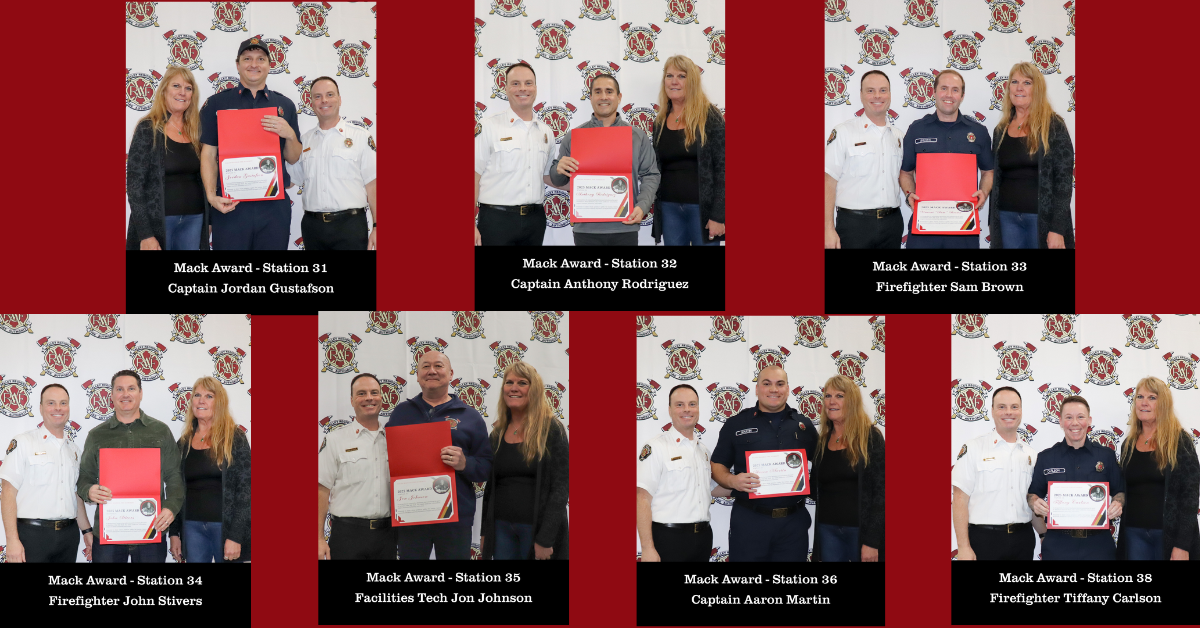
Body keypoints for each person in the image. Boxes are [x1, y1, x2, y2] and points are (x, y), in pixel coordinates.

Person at [388, 351, 493, 559]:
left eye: (438, 366)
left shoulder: (471, 416)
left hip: (455, 519)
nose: (432, 371)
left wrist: (465, 464)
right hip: (411, 514)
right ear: (417, 375)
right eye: (425, 366)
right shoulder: (401, 413)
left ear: (451, 373)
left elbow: (486, 468)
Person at [200, 36, 301, 250]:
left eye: (260, 59)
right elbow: (208, 155)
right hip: (231, 204)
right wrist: (211, 196)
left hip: (273, 207)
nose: (254, 64)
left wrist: (290, 134)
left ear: (269, 65)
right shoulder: (216, 103)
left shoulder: (285, 105)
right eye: (247, 58)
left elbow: (293, 157)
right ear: (238, 65)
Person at [710, 366, 816, 561]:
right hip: (749, 521)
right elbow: (717, 465)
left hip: (793, 524)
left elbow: (822, 466)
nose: (773, 389)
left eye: (780, 384)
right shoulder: (736, 424)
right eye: (766, 384)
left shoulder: (804, 426)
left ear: (788, 388)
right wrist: (732, 481)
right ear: (757, 389)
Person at [77, 371, 183, 562]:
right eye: (119, 389)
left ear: (140, 393)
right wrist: (89, 490)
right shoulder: (96, 435)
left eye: (131, 388)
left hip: (152, 530)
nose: (125, 394)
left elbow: (175, 477)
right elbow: (84, 477)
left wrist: (170, 508)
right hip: (108, 533)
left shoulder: (161, 431)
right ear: (111, 395)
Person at [549, 73, 659, 245]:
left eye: (609, 91)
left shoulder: (637, 136)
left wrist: (642, 206)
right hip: (586, 229)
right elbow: (558, 179)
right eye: (598, 92)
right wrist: (558, 168)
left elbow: (651, 175)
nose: (604, 97)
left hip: (625, 226)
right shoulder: (575, 136)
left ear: (619, 97)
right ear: (591, 97)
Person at [480, 361, 568, 560]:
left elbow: (561, 487)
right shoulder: (497, 433)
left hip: (536, 531)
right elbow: (490, 488)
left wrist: (546, 538)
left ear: (534, 389)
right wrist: (486, 532)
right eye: (509, 382)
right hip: (501, 528)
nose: (514, 388)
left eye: (522, 383)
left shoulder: (552, 429)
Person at [899, 69, 994, 249]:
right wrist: (910, 194)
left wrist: (984, 192)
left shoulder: (979, 132)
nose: (949, 95)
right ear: (934, 92)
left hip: (964, 226)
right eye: (944, 88)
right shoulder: (917, 129)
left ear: (962, 95)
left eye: (955, 90)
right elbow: (905, 173)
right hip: (925, 225)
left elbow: (988, 172)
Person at [0, 384, 93, 562]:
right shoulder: (23, 442)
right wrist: (11, 540)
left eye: (63, 403)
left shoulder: (73, 450)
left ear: (69, 408)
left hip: (69, 536)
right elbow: (8, 492)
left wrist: (87, 531)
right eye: (51, 403)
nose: (58, 408)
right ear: (41, 408)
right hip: (32, 536)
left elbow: (75, 495)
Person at [988, 61, 1075, 249]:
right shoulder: (1000, 130)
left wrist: (1057, 228)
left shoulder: (1054, 125)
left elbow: (1064, 181)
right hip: (1006, 218)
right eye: (1014, 82)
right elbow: (994, 177)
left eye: (1027, 83)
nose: (1019, 88)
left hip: (1041, 220)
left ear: (1037, 89)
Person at [1027, 395, 1124, 560]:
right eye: (1069, 417)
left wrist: (1118, 503)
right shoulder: (1046, 457)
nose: (1075, 423)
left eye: (1080, 417)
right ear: (1060, 421)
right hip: (1058, 545)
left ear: (1089, 420)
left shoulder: (1106, 456)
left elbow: (1120, 491)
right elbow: (1032, 493)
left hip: (1099, 545)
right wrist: (1035, 502)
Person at [474, 62, 559, 246]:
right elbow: (474, 174)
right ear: (505, 88)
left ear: (535, 88)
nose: (523, 88)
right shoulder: (488, 126)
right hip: (496, 221)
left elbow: (547, 176)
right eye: (515, 83)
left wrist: (583, 183)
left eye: (528, 83)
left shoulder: (546, 132)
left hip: (535, 221)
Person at [1116, 377, 1200, 560]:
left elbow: (1190, 497)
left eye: (1152, 398)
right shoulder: (1128, 445)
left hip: (1169, 536)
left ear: (1164, 404)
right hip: (1133, 535)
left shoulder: (1181, 441)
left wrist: (1182, 545)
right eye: (1140, 397)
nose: (1144, 403)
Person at [168, 377, 251, 563]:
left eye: (208, 396)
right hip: (191, 528)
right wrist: (174, 533)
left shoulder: (235, 438)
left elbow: (246, 490)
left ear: (219, 402)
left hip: (226, 529)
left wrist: (236, 536)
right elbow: (175, 490)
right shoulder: (183, 443)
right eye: (197, 395)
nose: (201, 400)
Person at [126, 65, 209, 251]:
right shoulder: (148, 128)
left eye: (188, 88)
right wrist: (146, 235)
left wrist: (209, 221)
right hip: (158, 223)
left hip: (195, 220)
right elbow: (134, 185)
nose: (183, 92)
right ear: (164, 90)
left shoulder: (197, 130)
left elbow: (207, 177)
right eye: (176, 86)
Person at [950, 386, 1037, 560]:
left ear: (1021, 411)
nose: (1008, 412)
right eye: (1002, 407)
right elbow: (959, 499)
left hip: (1023, 539)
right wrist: (963, 547)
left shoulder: (1031, 454)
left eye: (1014, 407)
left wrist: (1043, 534)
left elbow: (1031, 501)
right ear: (992, 411)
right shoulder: (974, 448)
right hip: (984, 540)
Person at [294, 76, 378, 250]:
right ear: (311, 103)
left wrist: (377, 226)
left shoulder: (361, 136)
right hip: (313, 227)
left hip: (350, 227)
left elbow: (373, 185)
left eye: (329, 94)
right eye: (317, 96)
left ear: (339, 100)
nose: (324, 100)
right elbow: (291, 179)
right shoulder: (304, 141)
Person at [824, 70, 905, 249]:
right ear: (861, 95)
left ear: (890, 94)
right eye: (870, 91)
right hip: (854, 225)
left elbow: (904, 177)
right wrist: (827, 229)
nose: (877, 95)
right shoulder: (844, 132)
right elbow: (827, 182)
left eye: (883, 90)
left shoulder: (898, 136)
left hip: (892, 224)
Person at [650, 55, 725, 246]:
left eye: (681, 76)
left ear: (692, 81)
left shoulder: (710, 116)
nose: (674, 81)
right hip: (669, 209)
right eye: (669, 75)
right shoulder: (659, 122)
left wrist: (719, 215)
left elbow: (724, 168)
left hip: (703, 211)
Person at [318, 373, 392, 560]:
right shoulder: (335, 439)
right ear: (352, 400)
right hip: (347, 536)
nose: (369, 398)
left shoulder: (395, 441)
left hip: (388, 536)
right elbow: (321, 490)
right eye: (362, 393)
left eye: (374, 393)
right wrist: (318, 538)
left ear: (381, 399)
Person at [636, 384, 714, 562]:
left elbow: (711, 488)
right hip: (669, 539)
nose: (687, 409)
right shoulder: (655, 447)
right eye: (680, 405)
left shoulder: (703, 451)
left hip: (702, 538)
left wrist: (746, 483)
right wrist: (647, 548)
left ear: (698, 409)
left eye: (692, 404)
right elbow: (642, 499)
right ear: (670, 410)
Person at [812, 375, 884, 562]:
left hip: (860, 533)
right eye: (827, 396)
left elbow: (882, 493)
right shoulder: (822, 441)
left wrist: (872, 541)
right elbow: (814, 489)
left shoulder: (870, 438)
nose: (832, 401)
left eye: (839, 396)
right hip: (827, 530)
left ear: (852, 401)